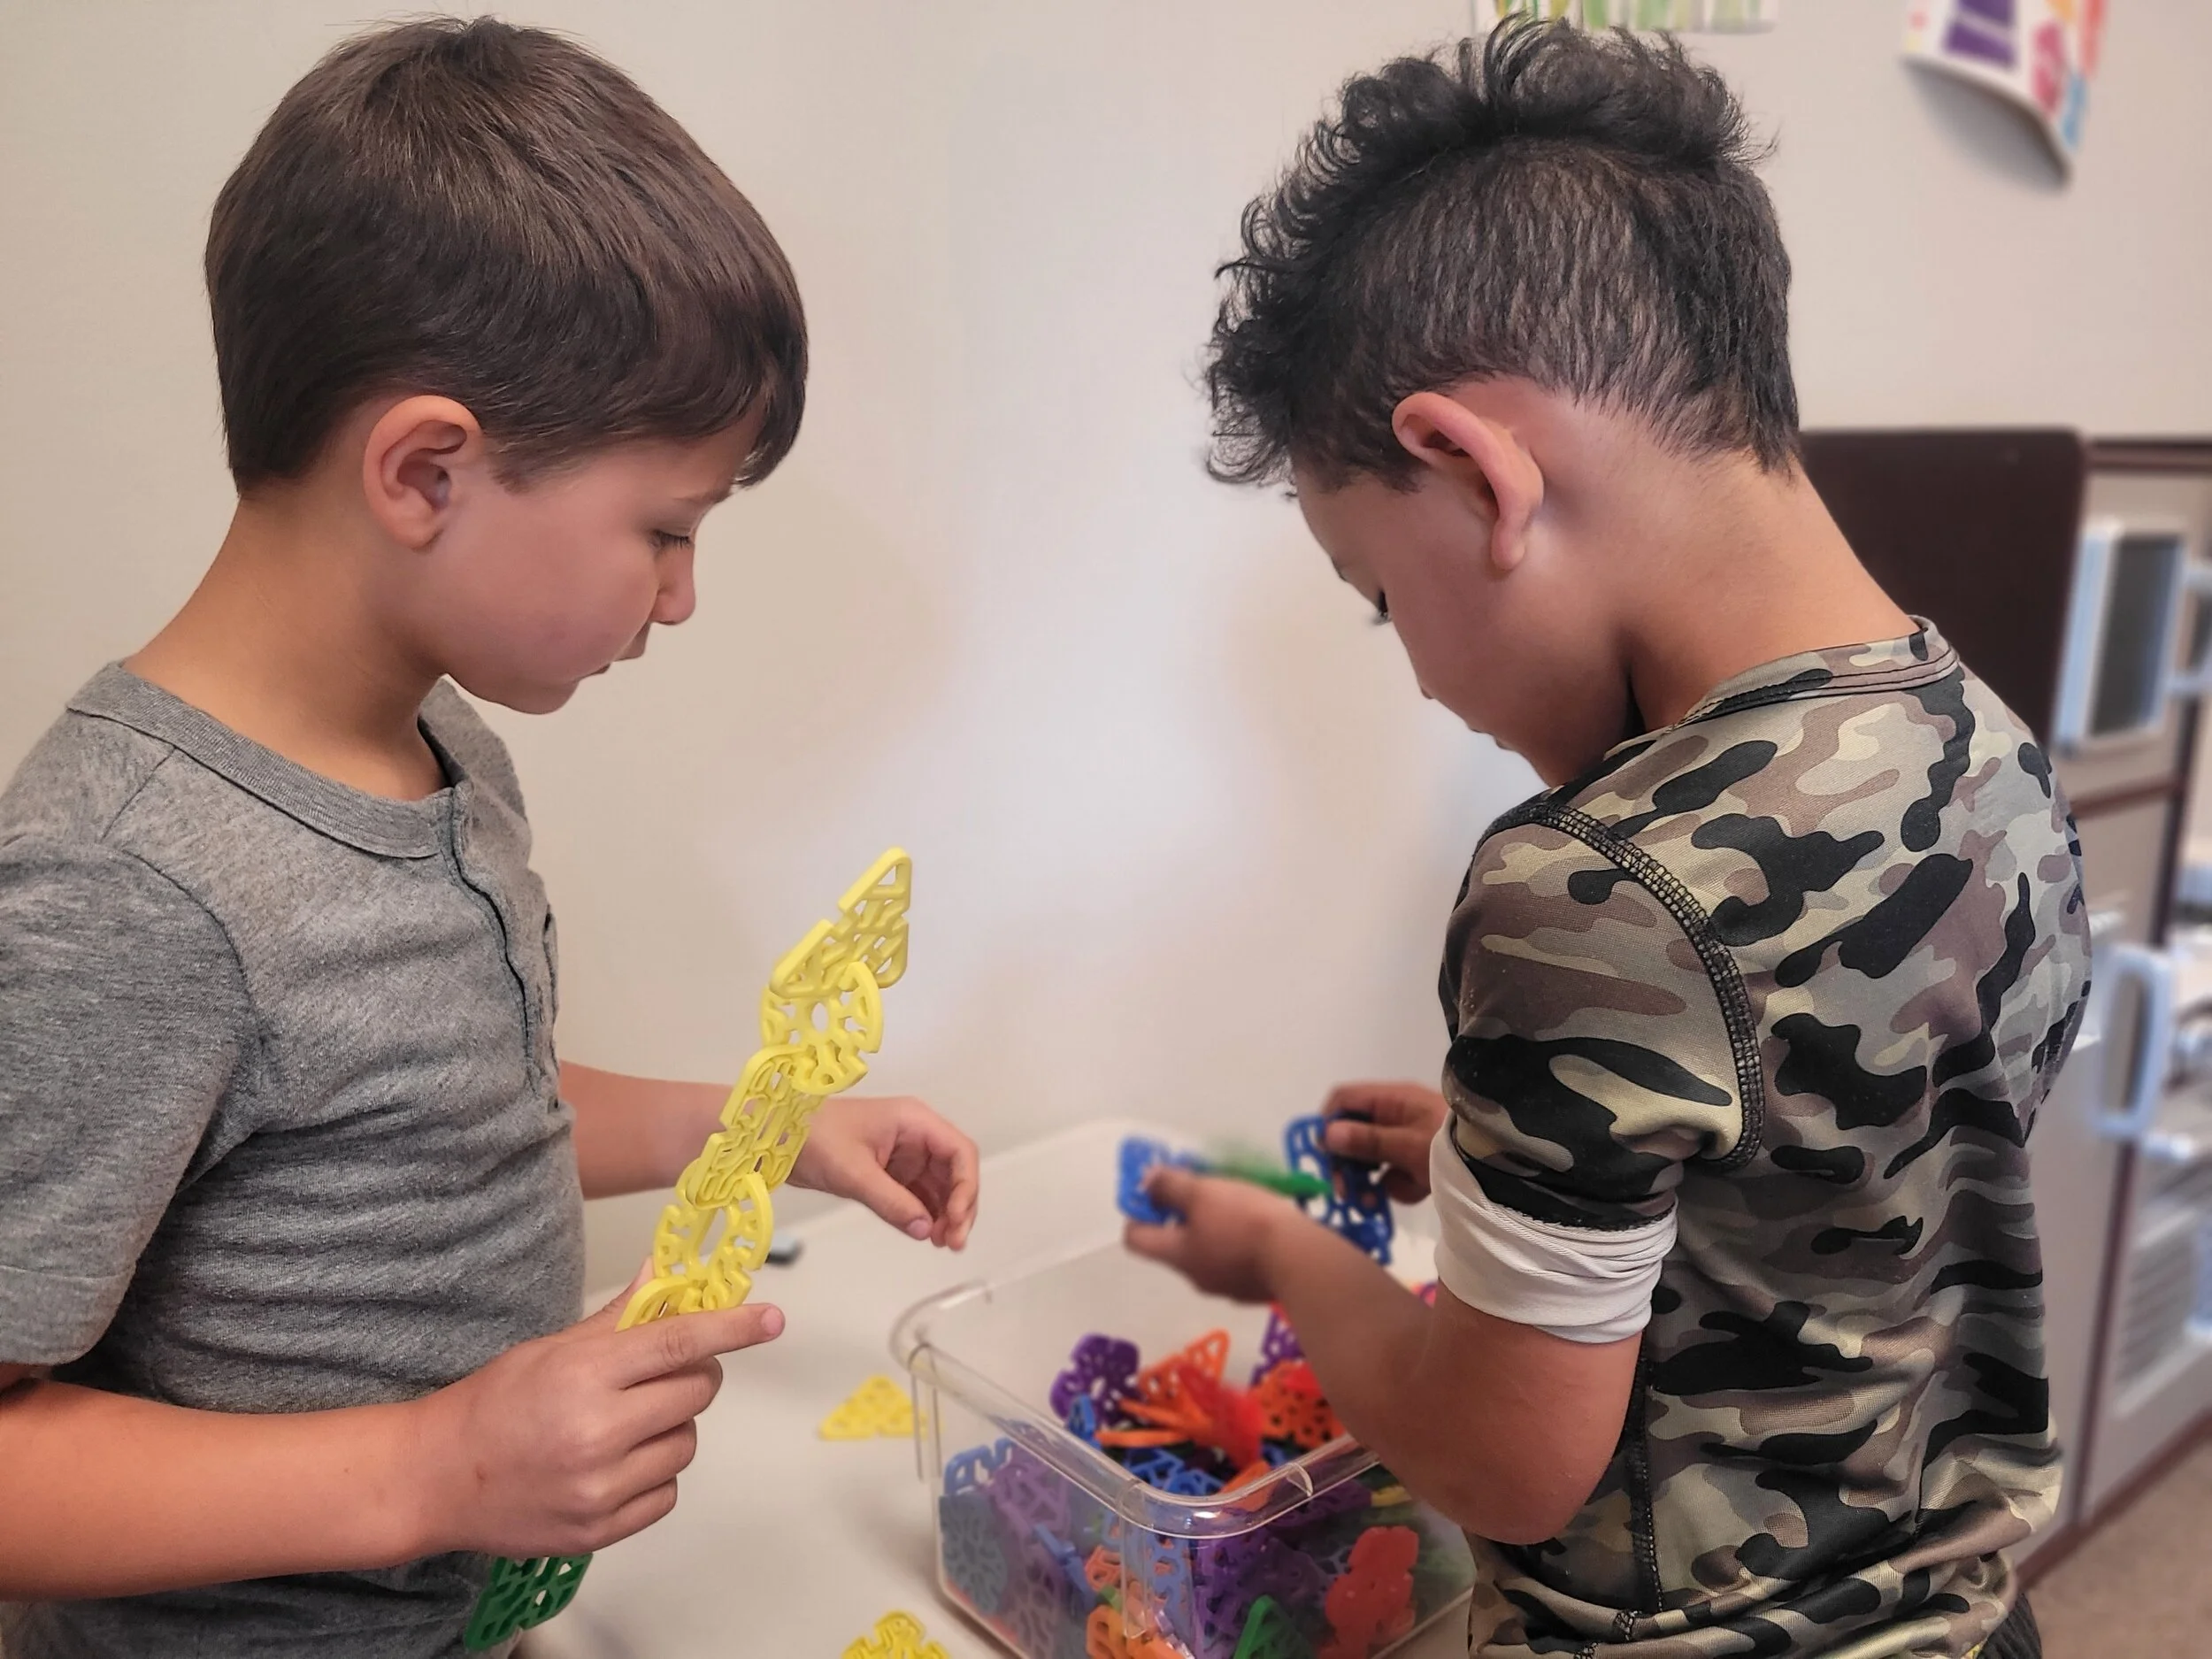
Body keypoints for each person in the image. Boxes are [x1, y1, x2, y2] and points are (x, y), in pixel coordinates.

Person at [0, 19, 979, 1656]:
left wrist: (766, 1124)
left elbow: (449, 1117)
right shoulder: (124, 886)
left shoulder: (442, 748)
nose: (680, 595)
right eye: (664, 529)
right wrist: (439, 1466)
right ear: (427, 468)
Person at [1128, 24, 2083, 1659]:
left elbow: (1503, 1461)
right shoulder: (1988, 744)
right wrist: (1518, 1165)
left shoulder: (1593, 887)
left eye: (1378, 594)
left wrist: (1285, 1256)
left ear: (1473, 469)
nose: (1420, 669)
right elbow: (1851, 1184)